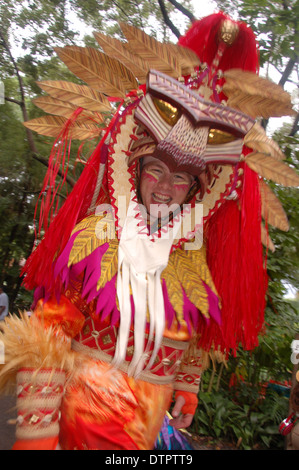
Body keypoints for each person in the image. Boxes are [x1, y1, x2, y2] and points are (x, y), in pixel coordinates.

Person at [0, 12, 297, 451]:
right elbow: (46, 336)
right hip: (86, 420)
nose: (164, 187)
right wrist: (36, 436)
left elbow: (190, 332)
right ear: (135, 170)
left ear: (196, 191)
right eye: (156, 170)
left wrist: (188, 383)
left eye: (180, 180)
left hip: (148, 428)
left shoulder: (192, 254)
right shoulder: (96, 235)